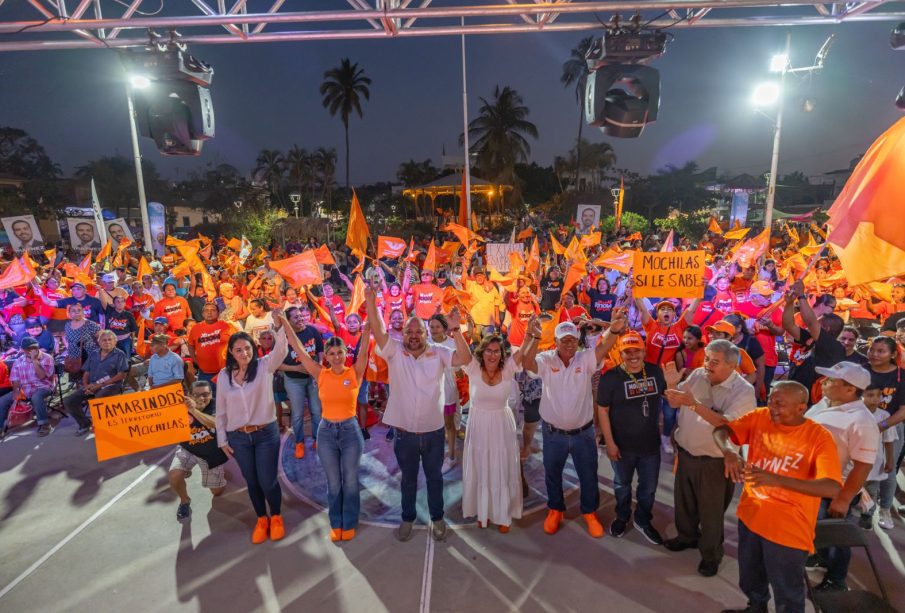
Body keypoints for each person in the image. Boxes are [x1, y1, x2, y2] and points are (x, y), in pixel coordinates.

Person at [714, 381, 842, 613]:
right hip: (751, 516)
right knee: (750, 578)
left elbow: (832, 487)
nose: (771, 406)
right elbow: (722, 431)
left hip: (787, 528)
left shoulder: (818, 437)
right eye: (771, 399)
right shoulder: (760, 417)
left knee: (787, 592)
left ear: (801, 408)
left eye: (779, 403)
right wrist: (730, 452)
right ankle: (756, 607)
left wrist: (777, 480)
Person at [366, 287, 471, 542]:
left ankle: (437, 518)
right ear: (403, 334)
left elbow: (465, 357)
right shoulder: (394, 351)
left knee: (435, 479)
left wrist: (456, 332)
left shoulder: (439, 352)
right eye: (409, 332)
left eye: (418, 331)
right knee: (408, 481)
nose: (413, 336)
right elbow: (379, 330)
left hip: (434, 434)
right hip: (405, 435)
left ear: (426, 333)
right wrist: (370, 301)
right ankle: (407, 518)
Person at [521, 311, 624, 538]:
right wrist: (534, 336)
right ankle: (555, 509)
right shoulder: (546, 359)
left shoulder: (585, 359)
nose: (569, 343)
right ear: (556, 342)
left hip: (583, 434)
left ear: (577, 340)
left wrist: (614, 329)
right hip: (553, 434)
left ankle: (590, 513)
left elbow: (604, 347)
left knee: (588, 474)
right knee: (552, 474)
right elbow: (527, 362)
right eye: (563, 339)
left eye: (572, 339)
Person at [663, 339, 756, 577]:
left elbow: (727, 425)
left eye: (714, 361)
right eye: (706, 359)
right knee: (684, 504)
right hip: (686, 454)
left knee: (711, 513)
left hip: (715, 462)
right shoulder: (697, 375)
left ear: (732, 366)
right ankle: (686, 537)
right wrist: (672, 387)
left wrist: (693, 405)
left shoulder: (744, 391)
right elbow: (677, 400)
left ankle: (711, 555)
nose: (707, 365)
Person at [288, 317, 371, 542]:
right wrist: (284, 323)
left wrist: (370, 320)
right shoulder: (319, 373)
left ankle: (350, 520)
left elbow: (365, 347)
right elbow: (296, 346)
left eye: (340, 352)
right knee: (334, 483)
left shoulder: (355, 372)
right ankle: (336, 522)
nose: (336, 357)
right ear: (326, 356)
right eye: (332, 353)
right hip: (326, 433)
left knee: (351, 481)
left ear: (346, 354)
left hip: (351, 433)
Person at [804, 361, 879, 592]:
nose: (824, 383)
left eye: (831, 381)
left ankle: (836, 580)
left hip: (836, 490)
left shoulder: (861, 421)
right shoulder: (825, 404)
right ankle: (820, 557)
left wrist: (845, 499)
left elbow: (862, 466)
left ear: (850, 389)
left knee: (837, 536)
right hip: (814, 484)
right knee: (819, 528)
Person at [216, 310, 289, 544]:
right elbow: (221, 411)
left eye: (247, 348)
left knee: (268, 480)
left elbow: (282, 350)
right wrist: (222, 440)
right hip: (238, 438)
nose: (244, 353)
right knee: (252, 481)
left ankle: (276, 516)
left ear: (254, 348)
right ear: (231, 352)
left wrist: (279, 325)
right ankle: (262, 519)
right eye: (238, 350)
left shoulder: (265, 366)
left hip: (266, 434)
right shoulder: (224, 376)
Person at [597, 331, 669, 544]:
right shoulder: (611, 377)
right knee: (622, 485)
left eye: (636, 350)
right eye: (627, 351)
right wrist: (609, 443)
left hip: (650, 446)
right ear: (621, 353)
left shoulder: (655, 372)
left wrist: (673, 385)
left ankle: (643, 519)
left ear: (644, 350)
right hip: (621, 446)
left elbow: (672, 402)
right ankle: (622, 516)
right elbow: (602, 410)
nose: (632, 355)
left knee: (648, 488)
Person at [460, 333, 525, 532]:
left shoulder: (507, 369)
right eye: (488, 350)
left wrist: (530, 334)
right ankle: (483, 512)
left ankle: (503, 515)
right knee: (482, 467)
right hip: (478, 425)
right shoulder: (472, 368)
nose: (492, 354)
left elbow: (523, 352)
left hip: (501, 426)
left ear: (501, 354)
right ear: (482, 352)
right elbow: (463, 353)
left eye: (496, 351)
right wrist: (455, 330)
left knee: (501, 467)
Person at [636, 297, 701, 454]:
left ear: (674, 314)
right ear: (657, 313)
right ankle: (647, 437)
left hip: (669, 377)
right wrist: (636, 293)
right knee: (648, 408)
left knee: (669, 411)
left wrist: (699, 295)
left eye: (670, 310)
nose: (666, 311)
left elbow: (691, 310)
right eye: (662, 309)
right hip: (649, 374)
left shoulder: (680, 327)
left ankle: (665, 437)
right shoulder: (650, 325)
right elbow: (643, 310)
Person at [169, 381, 228, 522]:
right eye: (196, 395)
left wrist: (193, 410)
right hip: (188, 448)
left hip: (211, 454)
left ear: (211, 394)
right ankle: (184, 501)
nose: (202, 398)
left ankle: (220, 474)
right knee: (174, 476)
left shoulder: (217, 405)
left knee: (217, 492)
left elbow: (215, 423)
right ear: (189, 395)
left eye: (206, 394)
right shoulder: (180, 405)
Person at [864, 336, 905, 529]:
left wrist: (882, 425)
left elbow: (903, 410)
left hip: (890, 426)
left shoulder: (901, 376)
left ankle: (885, 509)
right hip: (861, 426)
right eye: (872, 350)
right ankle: (866, 509)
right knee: (862, 466)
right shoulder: (861, 370)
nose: (874, 354)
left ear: (893, 354)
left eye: (881, 351)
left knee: (888, 469)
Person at [782, 281, 846, 403]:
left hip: (811, 401)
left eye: (819, 323)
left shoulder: (833, 347)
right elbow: (788, 325)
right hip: (794, 392)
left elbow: (811, 322)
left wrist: (801, 295)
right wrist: (789, 303)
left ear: (826, 329)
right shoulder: (809, 338)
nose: (814, 324)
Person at [63, 330, 129, 436]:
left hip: (111, 385)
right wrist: (86, 386)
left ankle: (101, 427)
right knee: (69, 400)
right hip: (92, 385)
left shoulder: (120, 354)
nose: (107, 342)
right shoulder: (94, 353)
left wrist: (101, 385)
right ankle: (84, 424)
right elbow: (87, 372)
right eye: (104, 340)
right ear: (99, 342)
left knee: (98, 400)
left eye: (109, 339)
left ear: (115, 342)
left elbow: (121, 375)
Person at [280, 306, 324, 459]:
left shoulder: (312, 331)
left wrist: (320, 364)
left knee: (316, 411)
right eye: (295, 317)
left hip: (312, 378)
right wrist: (296, 368)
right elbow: (276, 364)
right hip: (293, 381)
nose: (300, 319)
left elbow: (320, 349)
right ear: (288, 321)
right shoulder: (284, 337)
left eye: (301, 316)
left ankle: (317, 440)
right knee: (298, 415)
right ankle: (299, 443)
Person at [859, 384, 898, 530]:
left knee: (871, 491)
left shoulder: (885, 416)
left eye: (878, 395)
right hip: (854, 462)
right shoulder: (855, 413)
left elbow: (888, 441)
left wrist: (890, 460)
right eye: (870, 395)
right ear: (861, 396)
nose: (875, 399)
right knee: (852, 488)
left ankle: (867, 516)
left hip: (875, 462)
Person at [0, 337, 56, 438]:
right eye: (28, 348)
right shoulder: (18, 361)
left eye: (34, 347)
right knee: (3, 400)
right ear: (23, 350)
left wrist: (35, 360)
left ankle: (45, 425)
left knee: (36, 397)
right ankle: (0, 429)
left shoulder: (47, 358)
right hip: (25, 389)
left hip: (43, 386)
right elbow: (15, 379)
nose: (32, 350)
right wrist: (16, 392)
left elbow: (42, 376)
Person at [428, 314, 461, 474]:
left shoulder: (452, 343)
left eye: (437, 327)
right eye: (431, 327)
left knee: (448, 424)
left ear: (444, 328)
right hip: (429, 389)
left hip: (447, 388)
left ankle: (452, 456)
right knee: (433, 424)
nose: (434, 330)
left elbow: (459, 369)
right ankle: (435, 453)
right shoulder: (425, 343)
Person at [187, 303, 232, 393]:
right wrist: (194, 358)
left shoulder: (227, 326)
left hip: (224, 372)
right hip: (204, 373)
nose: (209, 313)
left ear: (218, 313)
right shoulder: (196, 328)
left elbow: (236, 343)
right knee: (205, 401)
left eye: (213, 310)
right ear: (202, 313)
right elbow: (190, 344)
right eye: (206, 310)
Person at [463, 267, 502, 335]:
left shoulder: (492, 287)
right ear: (474, 277)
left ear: (484, 276)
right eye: (477, 276)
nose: (479, 277)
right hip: (475, 322)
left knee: (488, 344)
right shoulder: (472, 285)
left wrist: (497, 318)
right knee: (475, 344)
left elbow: (497, 303)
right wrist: (465, 268)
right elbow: (463, 281)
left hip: (489, 322)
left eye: (481, 275)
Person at [105, 294, 137, 360]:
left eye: (122, 301)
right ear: (114, 304)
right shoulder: (109, 314)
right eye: (118, 302)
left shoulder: (129, 315)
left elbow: (133, 330)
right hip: (112, 341)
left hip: (125, 341)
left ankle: (125, 370)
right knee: (112, 359)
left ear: (125, 303)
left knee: (126, 359)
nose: (120, 303)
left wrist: (133, 343)